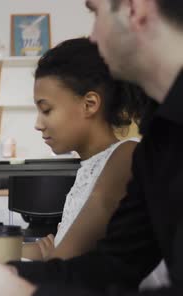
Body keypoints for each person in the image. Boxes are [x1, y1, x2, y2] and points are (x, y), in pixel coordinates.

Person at [0, 0, 183, 296]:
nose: (92, 35)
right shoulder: (160, 139)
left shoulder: (134, 151)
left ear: (134, 8)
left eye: (94, 11)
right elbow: (113, 265)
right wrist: (9, 272)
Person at [21, 37, 152, 261]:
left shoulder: (124, 157)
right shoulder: (91, 167)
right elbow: (52, 254)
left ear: (89, 104)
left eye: (47, 110)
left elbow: (59, 261)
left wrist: (53, 256)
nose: (38, 124)